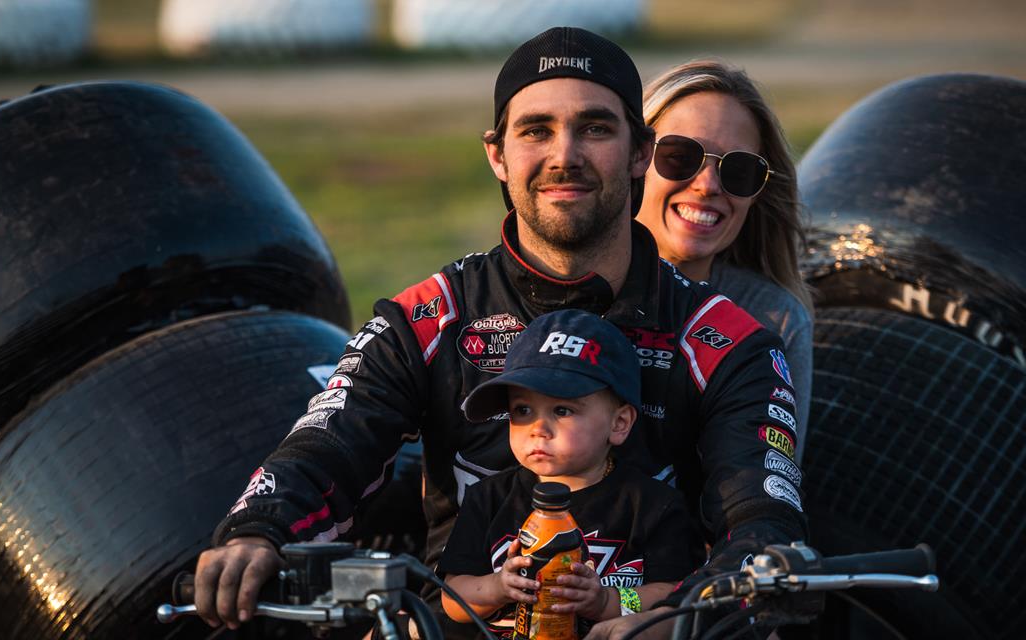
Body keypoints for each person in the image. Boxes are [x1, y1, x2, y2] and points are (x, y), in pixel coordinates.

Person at [193, 27, 807, 640]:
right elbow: (327, 444)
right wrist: (259, 528)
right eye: (535, 130)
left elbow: (761, 523)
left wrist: (667, 621)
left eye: (595, 128)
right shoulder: (426, 316)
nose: (564, 155)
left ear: (640, 152)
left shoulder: (731, 340)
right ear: (497, 154)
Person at [438, 309, 705, 638]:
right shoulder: (488, 497)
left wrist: (607, 600)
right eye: (522, 410)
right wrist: (498, 586)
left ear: (619, 424)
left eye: (562, 410)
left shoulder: (652, 505)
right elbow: (452, 599)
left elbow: (675, 594)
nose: (538, 428)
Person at [638, 60, 814, 461]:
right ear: (634, 160)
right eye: (680, 156)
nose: (707, 186)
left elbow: (775, 478)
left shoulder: (775, 319)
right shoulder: (561, 283)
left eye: (739, 170)